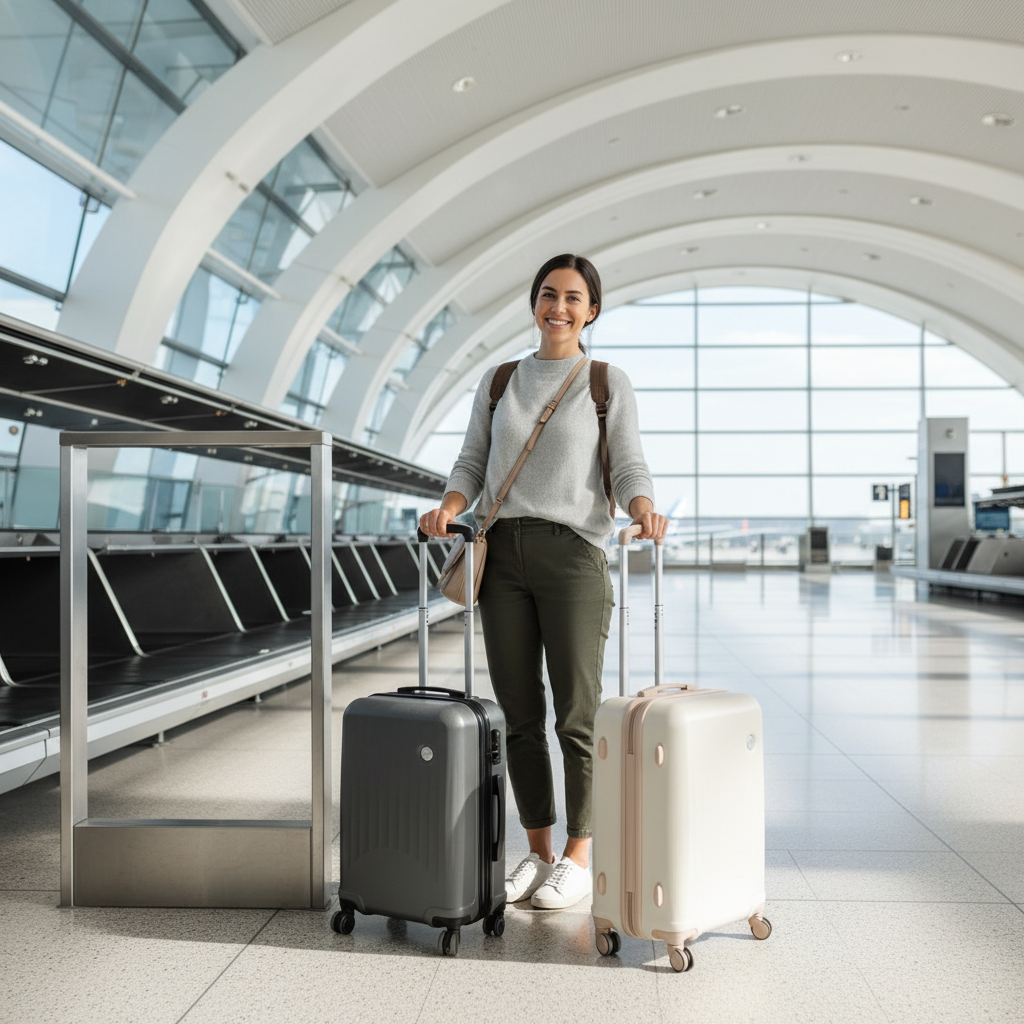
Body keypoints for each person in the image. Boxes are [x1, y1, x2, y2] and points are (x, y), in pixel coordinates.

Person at [420, 253, 668, 910]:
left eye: (574, 298)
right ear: (534, 303)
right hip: (499, 555)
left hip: (574, 558)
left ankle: (580, 856)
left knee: (577, 715)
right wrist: (449, 504)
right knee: (520, 715)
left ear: (592, 311)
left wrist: (643, 508)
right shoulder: (500, 380)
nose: (559, 307)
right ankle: (538, 850)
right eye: (549, 295)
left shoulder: (605, 383)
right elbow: (472, 461)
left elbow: (630, 465)